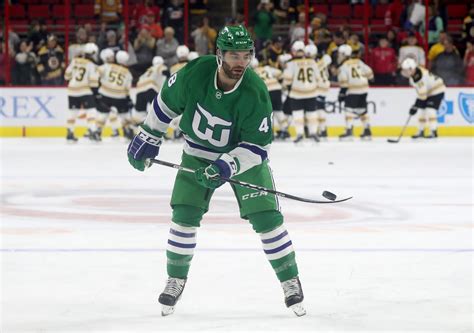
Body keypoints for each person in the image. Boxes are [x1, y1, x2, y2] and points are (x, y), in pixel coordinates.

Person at [126, 25, 306, 317]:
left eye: (246, 56)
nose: (241, 63)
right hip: (197, 152)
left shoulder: (256, 92)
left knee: (267, 217)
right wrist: (149, 135)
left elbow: (258, 148)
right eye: (234, 55)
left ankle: (290, 280)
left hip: (241, 158)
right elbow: (166, 104)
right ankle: (175, 278)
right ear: (219, 54)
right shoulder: (195, 72)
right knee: (183, 214)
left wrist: (226, 165)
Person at [283, 41, 319, 143]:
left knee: (297, 114)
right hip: (311, 92)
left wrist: (289, 88)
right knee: (312, 114)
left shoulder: (290, 63)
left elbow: (288, 79)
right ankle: (313, 133)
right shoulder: (313, 62)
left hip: (296, 93)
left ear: (294, 51)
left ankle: (299, 134)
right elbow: (318, 77)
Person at [401, 58, 445, 139]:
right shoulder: (413, 75)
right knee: (421, 111)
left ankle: (433, 131)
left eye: (406, 70)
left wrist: (415, 106)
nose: (405, 72)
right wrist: (416, 105)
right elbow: (421, 94)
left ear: (411, 68)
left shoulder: (419, 77)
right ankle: (420, 131)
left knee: (430, 110)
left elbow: (422, 95)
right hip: (428, 92)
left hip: (437, 90)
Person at [64, 43, 100, 142]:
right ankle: (93, 132)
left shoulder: (74, 60)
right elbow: (93, 82)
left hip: (72, 90)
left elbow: (66, 76)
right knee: (91, 111)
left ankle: (70, 133)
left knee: (72, 112)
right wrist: (96, 94)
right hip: (85, 91)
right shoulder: (92, 65)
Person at [337, 44, 374, 140]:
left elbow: (344, 81)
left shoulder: (344, 66)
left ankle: (349, 131)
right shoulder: (359, 61)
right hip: (364, 89)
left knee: (349, 110)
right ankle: (367, 131)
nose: (339, 56)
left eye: (340, 54)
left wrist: (342, 92)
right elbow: (369, 72)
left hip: (353, 90)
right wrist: (370, 79)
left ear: (344, 54)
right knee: (362, 110)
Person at [96, 50, 134, 140]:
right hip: (120, 96)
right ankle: (127, 131)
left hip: (105, 94)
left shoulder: (108, 66)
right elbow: (127, 89)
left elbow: (97, 72)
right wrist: (128, 99)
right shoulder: (128, 73)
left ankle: (97, 131)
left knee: (103, 114)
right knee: (124, 115)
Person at [250, 57, 285, 139]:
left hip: (266, 91)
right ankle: (285, 130)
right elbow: (280, 73)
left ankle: (270, 132)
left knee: (267, 112)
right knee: (278, 111)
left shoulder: (251, 73)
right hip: (277, 89)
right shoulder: (267, 68)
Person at [133, 56, 168, 130]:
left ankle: (139, 131)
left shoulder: (148, 70)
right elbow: (164, 72)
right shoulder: (160, 66)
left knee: (140, 113)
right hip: (150, 89)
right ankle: (159, 130)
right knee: (159, 110)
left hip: (139, 91)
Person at [310, 45, 332, 139]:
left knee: (317, 109)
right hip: (325, 85)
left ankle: (321, 130)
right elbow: (328, 59)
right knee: (320, 108)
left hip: (318, 86)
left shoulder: (311, 63)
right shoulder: (322, 60)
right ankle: (323, 129)